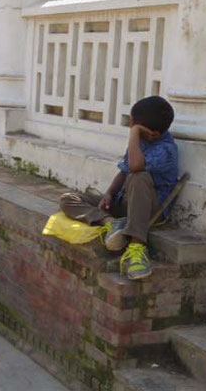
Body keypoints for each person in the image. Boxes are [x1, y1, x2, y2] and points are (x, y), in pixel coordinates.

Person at [59, 96, 178, 280]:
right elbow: (124, 170)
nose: (130, 125)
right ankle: (110, 223)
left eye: (133, 123)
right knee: (68, 199)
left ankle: (137, 248)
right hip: (125, 202)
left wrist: (134, 133)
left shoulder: (166, 150)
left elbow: (135, 168)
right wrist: (109, 193)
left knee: (139, 178)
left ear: (152, 133)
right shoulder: (140, 141)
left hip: (148, 210)